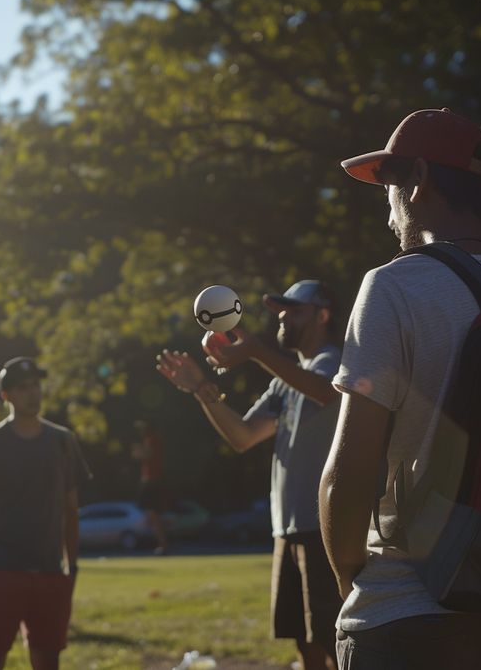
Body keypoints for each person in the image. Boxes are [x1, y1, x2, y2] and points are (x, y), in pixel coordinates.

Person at [321, 108, 481, 668]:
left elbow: (349, 471)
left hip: (409, 616)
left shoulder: (392, 286)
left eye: (388, 183)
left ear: (420, 178)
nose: (387, 206)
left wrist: (353, 583)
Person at [156, 280, 344, 670]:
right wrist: (201, 389)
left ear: (323, 315)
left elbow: (326, 392)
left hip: (324, 530)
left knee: (334, 642)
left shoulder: (334, 361)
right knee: (304, 644)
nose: (282, 315)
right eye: (280, 309)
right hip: (288, 529)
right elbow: (243, 436)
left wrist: (257, 351)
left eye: (294, 309)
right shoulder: (284, 381)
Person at [0, 357, 87, 670]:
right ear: (7, 396)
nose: (33, 394)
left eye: (36, 386)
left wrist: (72, 568)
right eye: (23, 388)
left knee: (48, 659)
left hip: (49, 571)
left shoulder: (63, 441)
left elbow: (71, 509)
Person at [130, 420, 170, 555]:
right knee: (151, 514)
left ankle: (163, 544)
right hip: (150, 480)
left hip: (152, 480)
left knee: (153, 513)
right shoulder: (151, 439)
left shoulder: (152, 439)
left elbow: (145, 455)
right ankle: (161, 542)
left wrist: (137, 449)